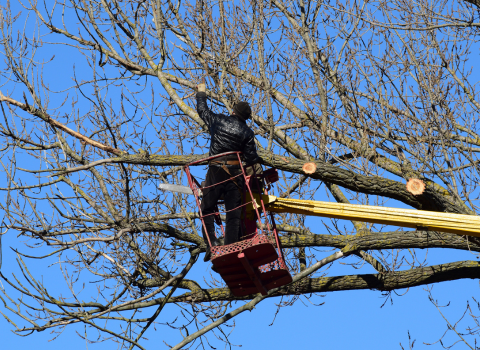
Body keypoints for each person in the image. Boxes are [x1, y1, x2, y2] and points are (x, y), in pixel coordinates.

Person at [196, 81, 260, 262]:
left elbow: (203, 111)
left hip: (215, 171)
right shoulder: (247, 132)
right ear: (246, 117)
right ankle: (231, 249)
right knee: (234, 214)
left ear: (233, 111)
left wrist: (201, 93)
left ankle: (212, 243)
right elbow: (251, 158)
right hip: (235, 177)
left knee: (207, 209)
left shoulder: (219, 120)